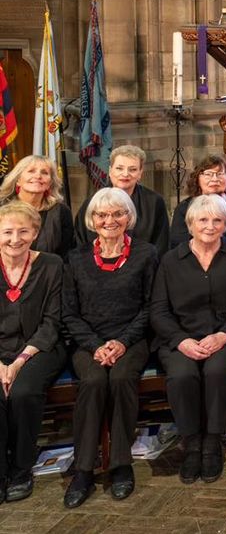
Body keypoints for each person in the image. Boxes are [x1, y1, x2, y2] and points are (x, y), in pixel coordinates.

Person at [61, 187, 158, 507]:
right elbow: (69, 313)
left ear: (129, 217)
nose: (110, 220)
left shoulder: (145, 254)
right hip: (88, 341)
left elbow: (151, 307)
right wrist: (95, 345)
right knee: (92, 381)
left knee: (120, 378)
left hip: (132, 339)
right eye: (102, 214)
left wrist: (122, 341)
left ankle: (120, 464)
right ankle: (83, 470)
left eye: (118, 213)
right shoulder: (75, 258)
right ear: (92, 219)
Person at [151, 194, 226, 485]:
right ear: (190, 224)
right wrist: (180, 340)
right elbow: (158, 310)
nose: (210, 226)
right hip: (180, 337)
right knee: (182, 374)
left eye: (217, 220)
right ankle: (191, 442)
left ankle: (212, 441)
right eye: (203, 220)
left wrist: (223, 335)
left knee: (217, 370)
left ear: (225, 224)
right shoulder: (171, 260)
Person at [0, 202, 66, 502]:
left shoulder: (51, 265)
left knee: (23, 392)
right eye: (7, 232)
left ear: (35, 233)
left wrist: (18, 363)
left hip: (39, 348)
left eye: (23, 231)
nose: (15, 239)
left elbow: (52, 322)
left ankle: (21, 468)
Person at [75, 144, 170, 255]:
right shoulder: (93, 203)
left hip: (145, 263)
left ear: (140, 173)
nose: (125, 174)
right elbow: (81, 245)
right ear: (110, 171)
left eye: (132, 169)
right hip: (97, 263)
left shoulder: (154, 202)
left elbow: (161, 245)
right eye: (119, 168)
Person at [0, 154, 74, 257]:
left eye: (44, 173)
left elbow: (67, 253)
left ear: (50, 183)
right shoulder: (2, 208)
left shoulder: (61, 211)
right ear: (18, 180)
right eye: (31, 171)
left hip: (50, 267)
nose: (38, 176)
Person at [169, 155, 226, 248]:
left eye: (220, 174)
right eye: (208, 174)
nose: (215, 179)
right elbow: (178, 243)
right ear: (198, 178)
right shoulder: (184, 208)